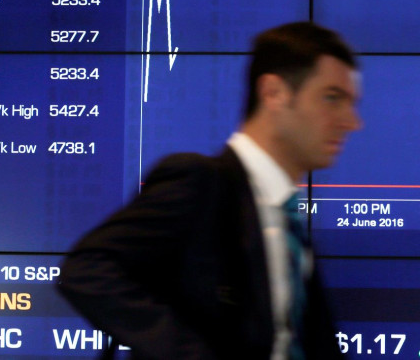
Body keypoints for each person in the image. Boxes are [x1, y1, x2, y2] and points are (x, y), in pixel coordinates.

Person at [56, 21, 362, 359]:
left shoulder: (288, 219)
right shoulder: (201, 183)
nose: (351, 120)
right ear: (274, 93)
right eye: (331, 98)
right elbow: (88, 270)